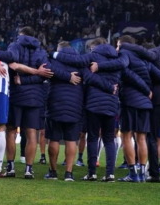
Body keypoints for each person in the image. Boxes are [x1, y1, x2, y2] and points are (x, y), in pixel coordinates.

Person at [0, 26, 53, 179]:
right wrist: (31, 78)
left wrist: (21, 80)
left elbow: (10, 59)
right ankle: (28, 169)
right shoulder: (42, 52)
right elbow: (45, 75)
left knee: (10, 131)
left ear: (21, 35)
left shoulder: (15, 45)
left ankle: (11, 167)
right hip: (35, 97)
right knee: (32, 133)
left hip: (16, 94)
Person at [52, 37, 124, 182]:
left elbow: (77, 62)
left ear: (95, 47)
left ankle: (92, 172)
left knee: (92, 137)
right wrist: (111, 88)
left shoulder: (93, 56)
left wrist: (54, 54)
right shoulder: (117, 59)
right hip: (111, 104)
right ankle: (110, 174)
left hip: (94, 104)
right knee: (109, 139)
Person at [117, 41, 160, 183]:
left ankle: (154, 174)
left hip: (158, 101)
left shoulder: (149, 63)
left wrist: (123, 45)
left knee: (152, 138)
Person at [42, 41, 83, 181]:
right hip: (75, 104)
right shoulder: (80, 62)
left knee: (53, 138)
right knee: (71, 140)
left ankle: (53, 172)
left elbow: (47, 69)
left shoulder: (52, 61)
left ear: (58, 50)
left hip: (55, 103)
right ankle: (69, 173)